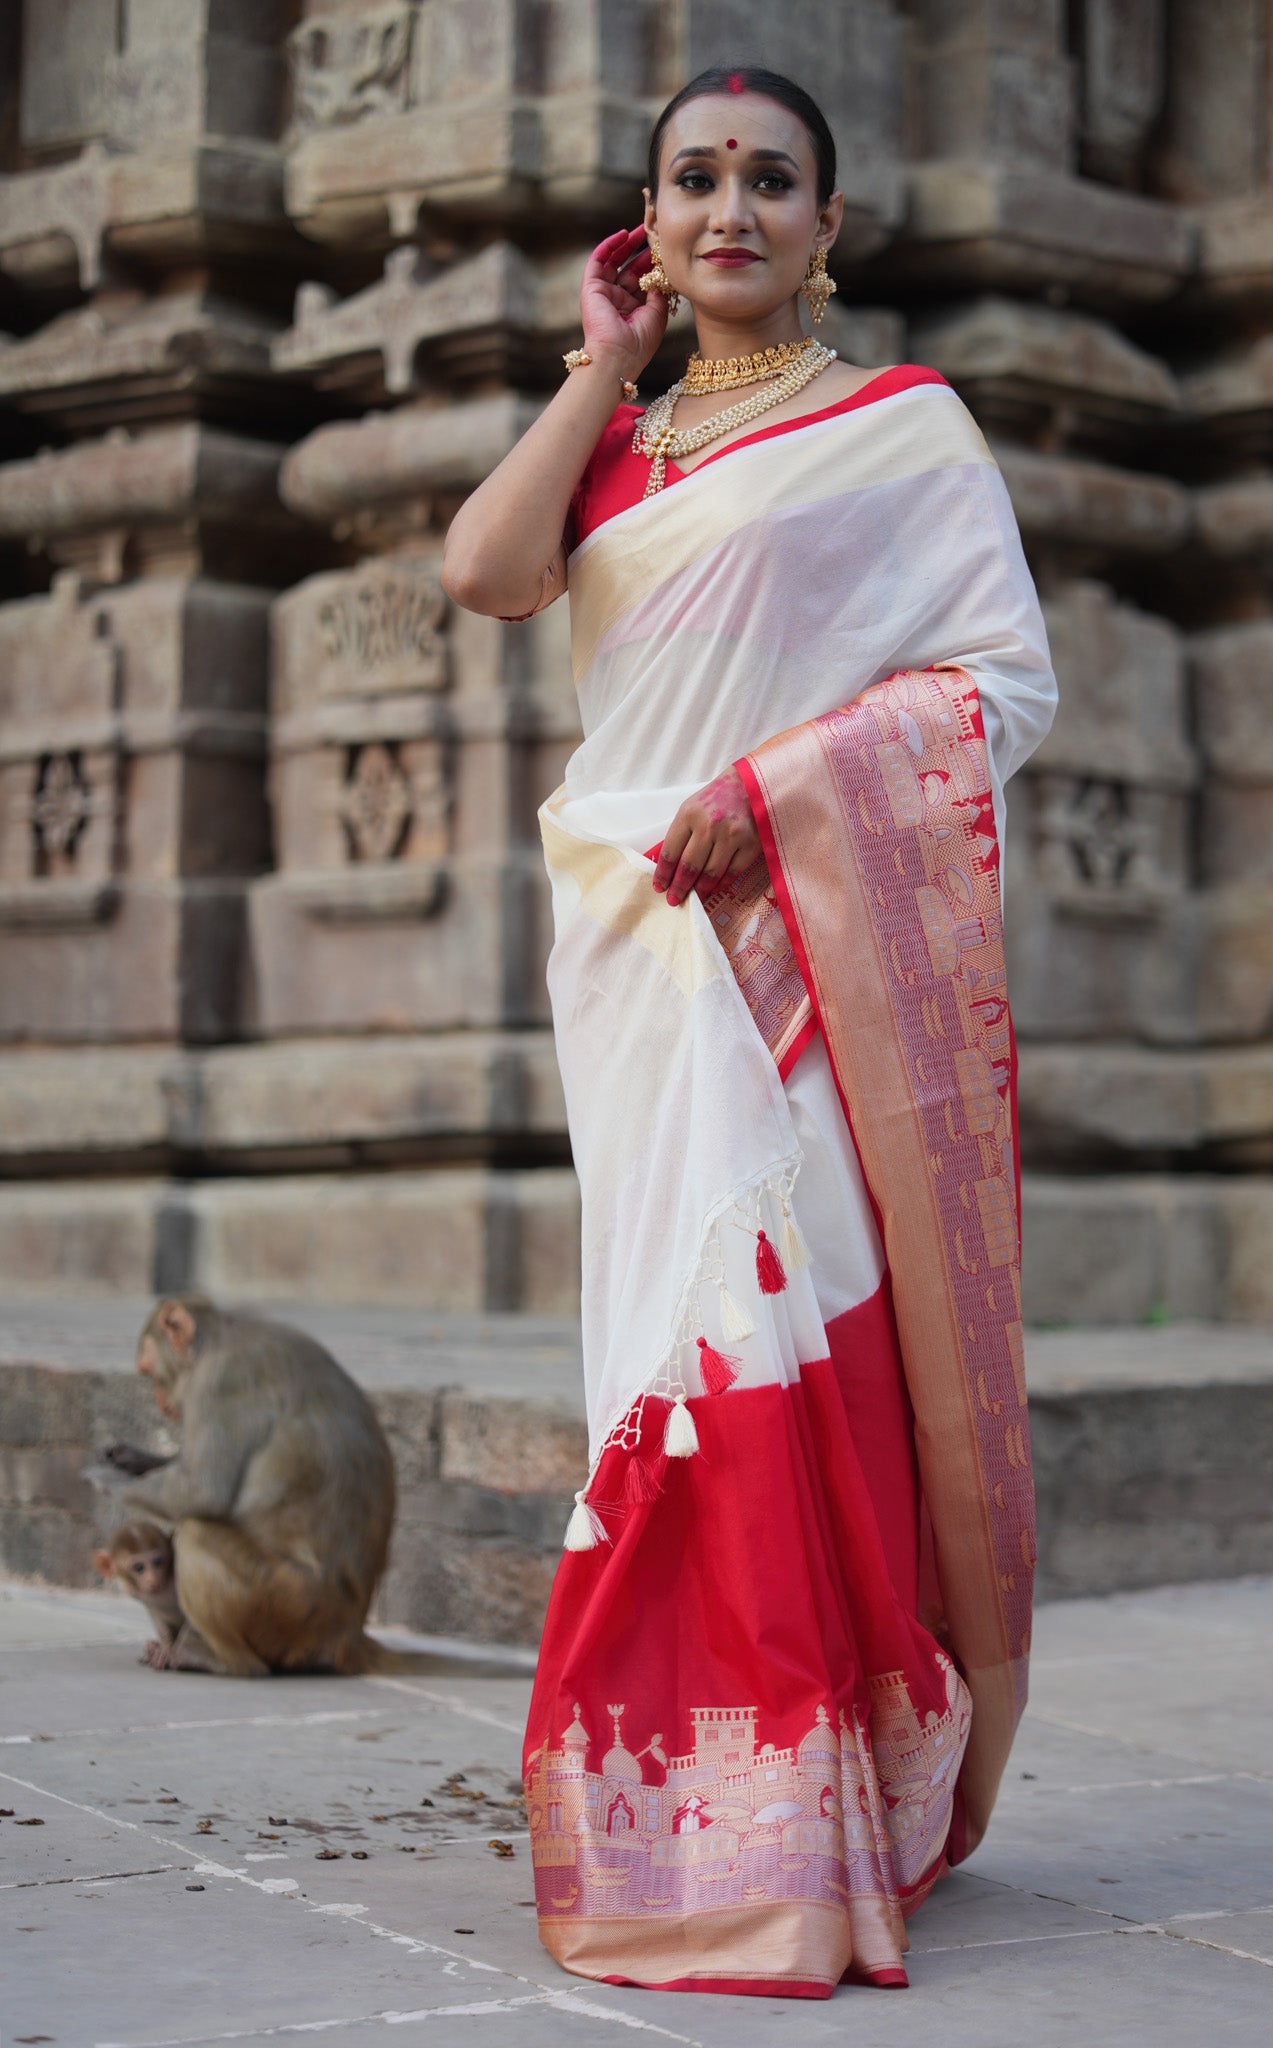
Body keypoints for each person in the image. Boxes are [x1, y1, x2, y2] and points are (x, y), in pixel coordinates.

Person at [442, 63, 1058, 2000]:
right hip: (640, 959)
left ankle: (808, 1806)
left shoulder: (902, 429)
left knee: (781, 1351)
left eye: (770, 180)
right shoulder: (618, 446)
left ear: (827, 224)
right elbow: (484, 572)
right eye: (694, 180)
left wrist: (781, 790)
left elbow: (1002, 681)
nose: (732, 210)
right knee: (668, 1353)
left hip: (801, 959)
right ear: (647, 222)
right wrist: (596, 365)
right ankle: (686, 1808)